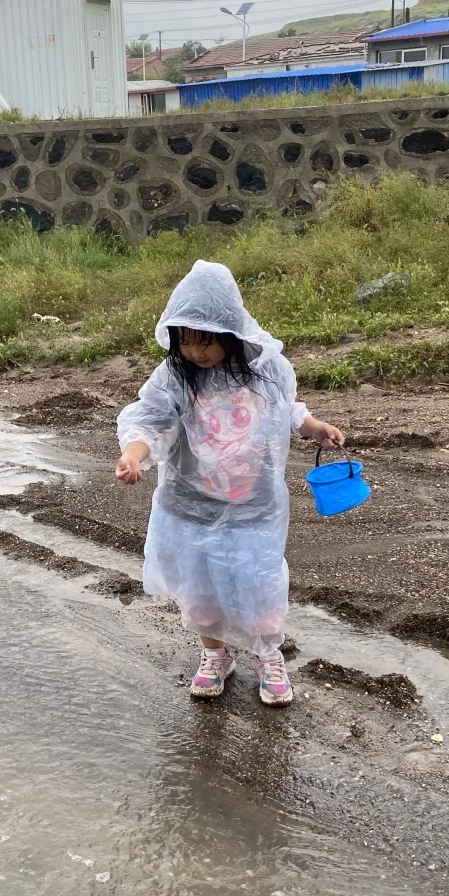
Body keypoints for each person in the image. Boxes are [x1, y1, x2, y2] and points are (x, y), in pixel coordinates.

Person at [115, 259, 344, 706]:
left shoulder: (267, 370)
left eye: (205, 341)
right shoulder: (174, 376)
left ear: (230, 333)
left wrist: (314, 427)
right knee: (199, 589)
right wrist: (133, 455)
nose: (195, 352)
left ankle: (269, 657)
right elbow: (151, 421)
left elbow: (287, 409)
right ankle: (215, 656)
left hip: (253, 508)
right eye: (185, 340)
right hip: (191, 508)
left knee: (258, 585)